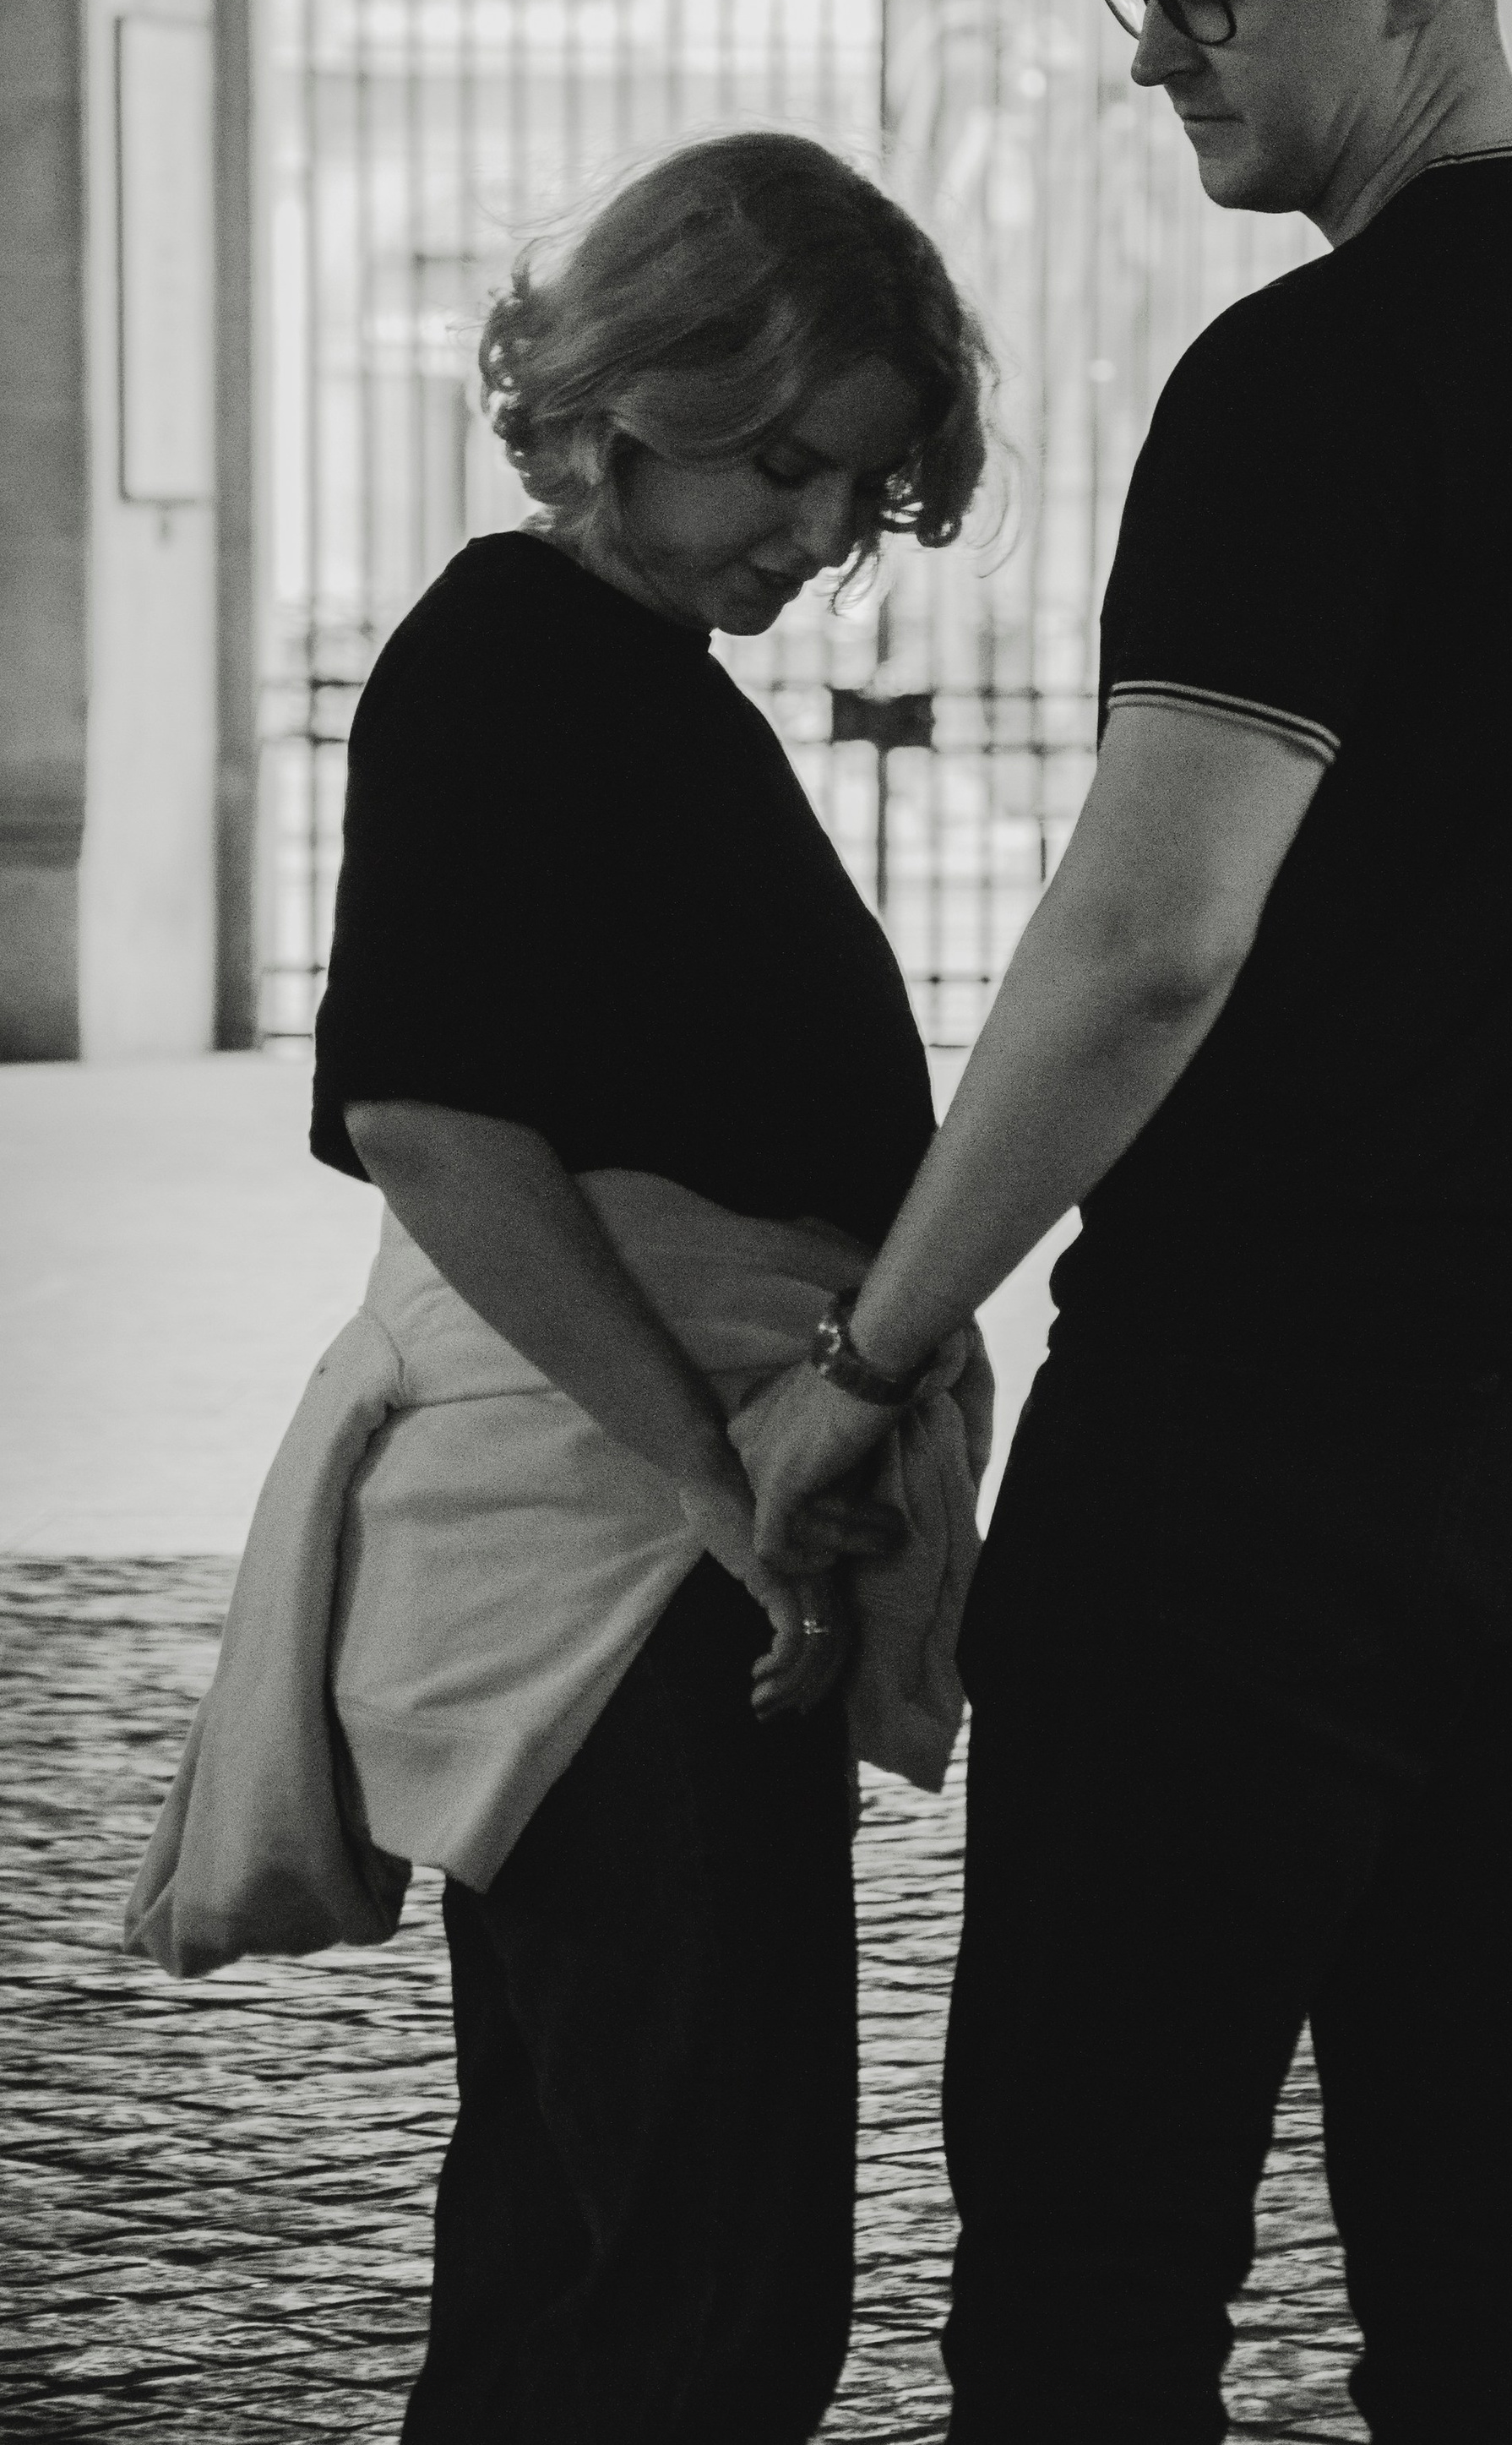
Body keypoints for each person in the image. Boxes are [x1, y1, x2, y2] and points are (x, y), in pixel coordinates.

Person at [747, 0, 1512, 2442]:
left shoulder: (1309, 382)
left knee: (1093, 2271)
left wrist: (875, 1355)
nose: (1155, 58)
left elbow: (1146, 947)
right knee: (1498, 2254)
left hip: (1272, 1451)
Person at [309, 129, 993, 2440]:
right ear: (633, 391)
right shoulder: (516, 653)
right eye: (788, 462)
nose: (817, 534)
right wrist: (714, 1479)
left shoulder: (610, 666)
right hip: (627, 1567)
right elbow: (431, 1119)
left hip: (664, 1550)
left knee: (597, 2254)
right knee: (690, 2286)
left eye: (863, 492)